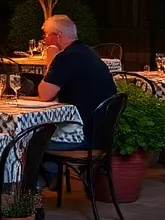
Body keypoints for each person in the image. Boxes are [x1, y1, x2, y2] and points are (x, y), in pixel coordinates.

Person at [37, 15, 117, 149]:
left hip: (80, 135)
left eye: (46, 35)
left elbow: (45, 95)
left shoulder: (66, 57)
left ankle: (47, 170)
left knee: (25, 143)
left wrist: (51, 61)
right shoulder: (87, 52)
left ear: (57, 36)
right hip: (99, 133)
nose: (44, 39)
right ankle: (50, 169)